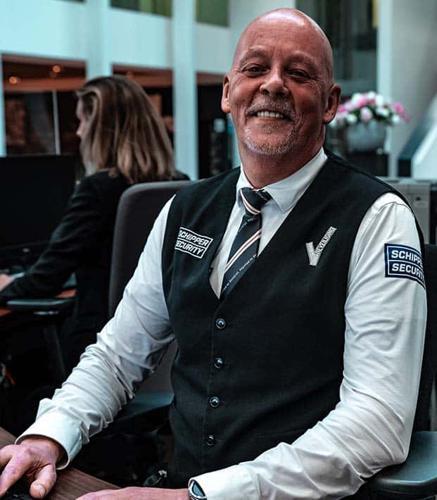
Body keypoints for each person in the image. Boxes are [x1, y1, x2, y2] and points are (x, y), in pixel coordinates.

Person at [0, 9, 427, 500]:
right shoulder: (183, 211)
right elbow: (118, 356)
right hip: (182, 483)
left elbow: (377, 420)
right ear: (228, 92)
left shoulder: (377, 218)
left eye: (298, 73)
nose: (273, 84)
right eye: (255, 68)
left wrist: (204, 495)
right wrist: (51, 433)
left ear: (330, 103)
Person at [0, 75, 180, 372]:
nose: (79, 132)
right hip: (166, 342)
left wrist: (8, 285)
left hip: (101, 344)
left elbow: (47, 277)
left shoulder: (98, 190)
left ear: (102, 129)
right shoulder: (179, 184)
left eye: (82, 121)